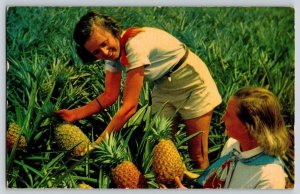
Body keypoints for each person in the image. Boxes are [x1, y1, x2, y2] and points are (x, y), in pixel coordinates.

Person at [55, 11, 222, 169]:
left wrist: (98, 143)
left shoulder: (134, 45)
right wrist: (75, 114)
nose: (105, 52)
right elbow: (109, 95)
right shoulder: (113, 56)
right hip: (163, 87)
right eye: (96, 52)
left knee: (198, 155)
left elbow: (129, 107)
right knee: (157, 151)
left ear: (113, 31)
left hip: (192, 83)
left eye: (104, 43)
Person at [176, 87, 289, 189]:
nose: (223, 118)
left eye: (229, 115)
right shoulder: (232, 145)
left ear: (248, 126)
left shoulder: (270, 178)